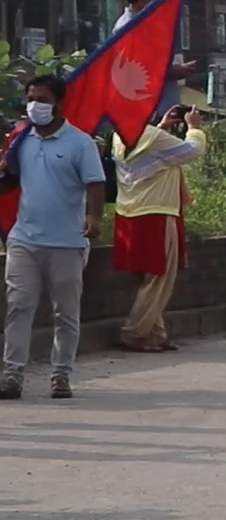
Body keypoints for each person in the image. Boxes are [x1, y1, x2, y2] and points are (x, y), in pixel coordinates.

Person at [0, 75, 107, 400]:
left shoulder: (79, 142)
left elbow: (95, 182)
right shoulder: (21, 139)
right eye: (31, 98)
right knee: (19, 306)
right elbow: (10, 181)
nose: (35, 105)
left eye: (43, 99)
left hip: (66, 241)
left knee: (66, 312)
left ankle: (61, 375)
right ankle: (12, 374)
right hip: (24, 239)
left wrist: (93, 217)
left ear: (59, 103)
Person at [112, 105, 207, 352]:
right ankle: (135, 332)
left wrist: (161, 127)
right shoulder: (155, 138)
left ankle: (156, 333)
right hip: (156, 213)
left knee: (145, 278)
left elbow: (150, 152)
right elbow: (192, 150)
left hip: (128, 212)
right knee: (160, 278)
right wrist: (194, 127)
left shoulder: (119, 136)